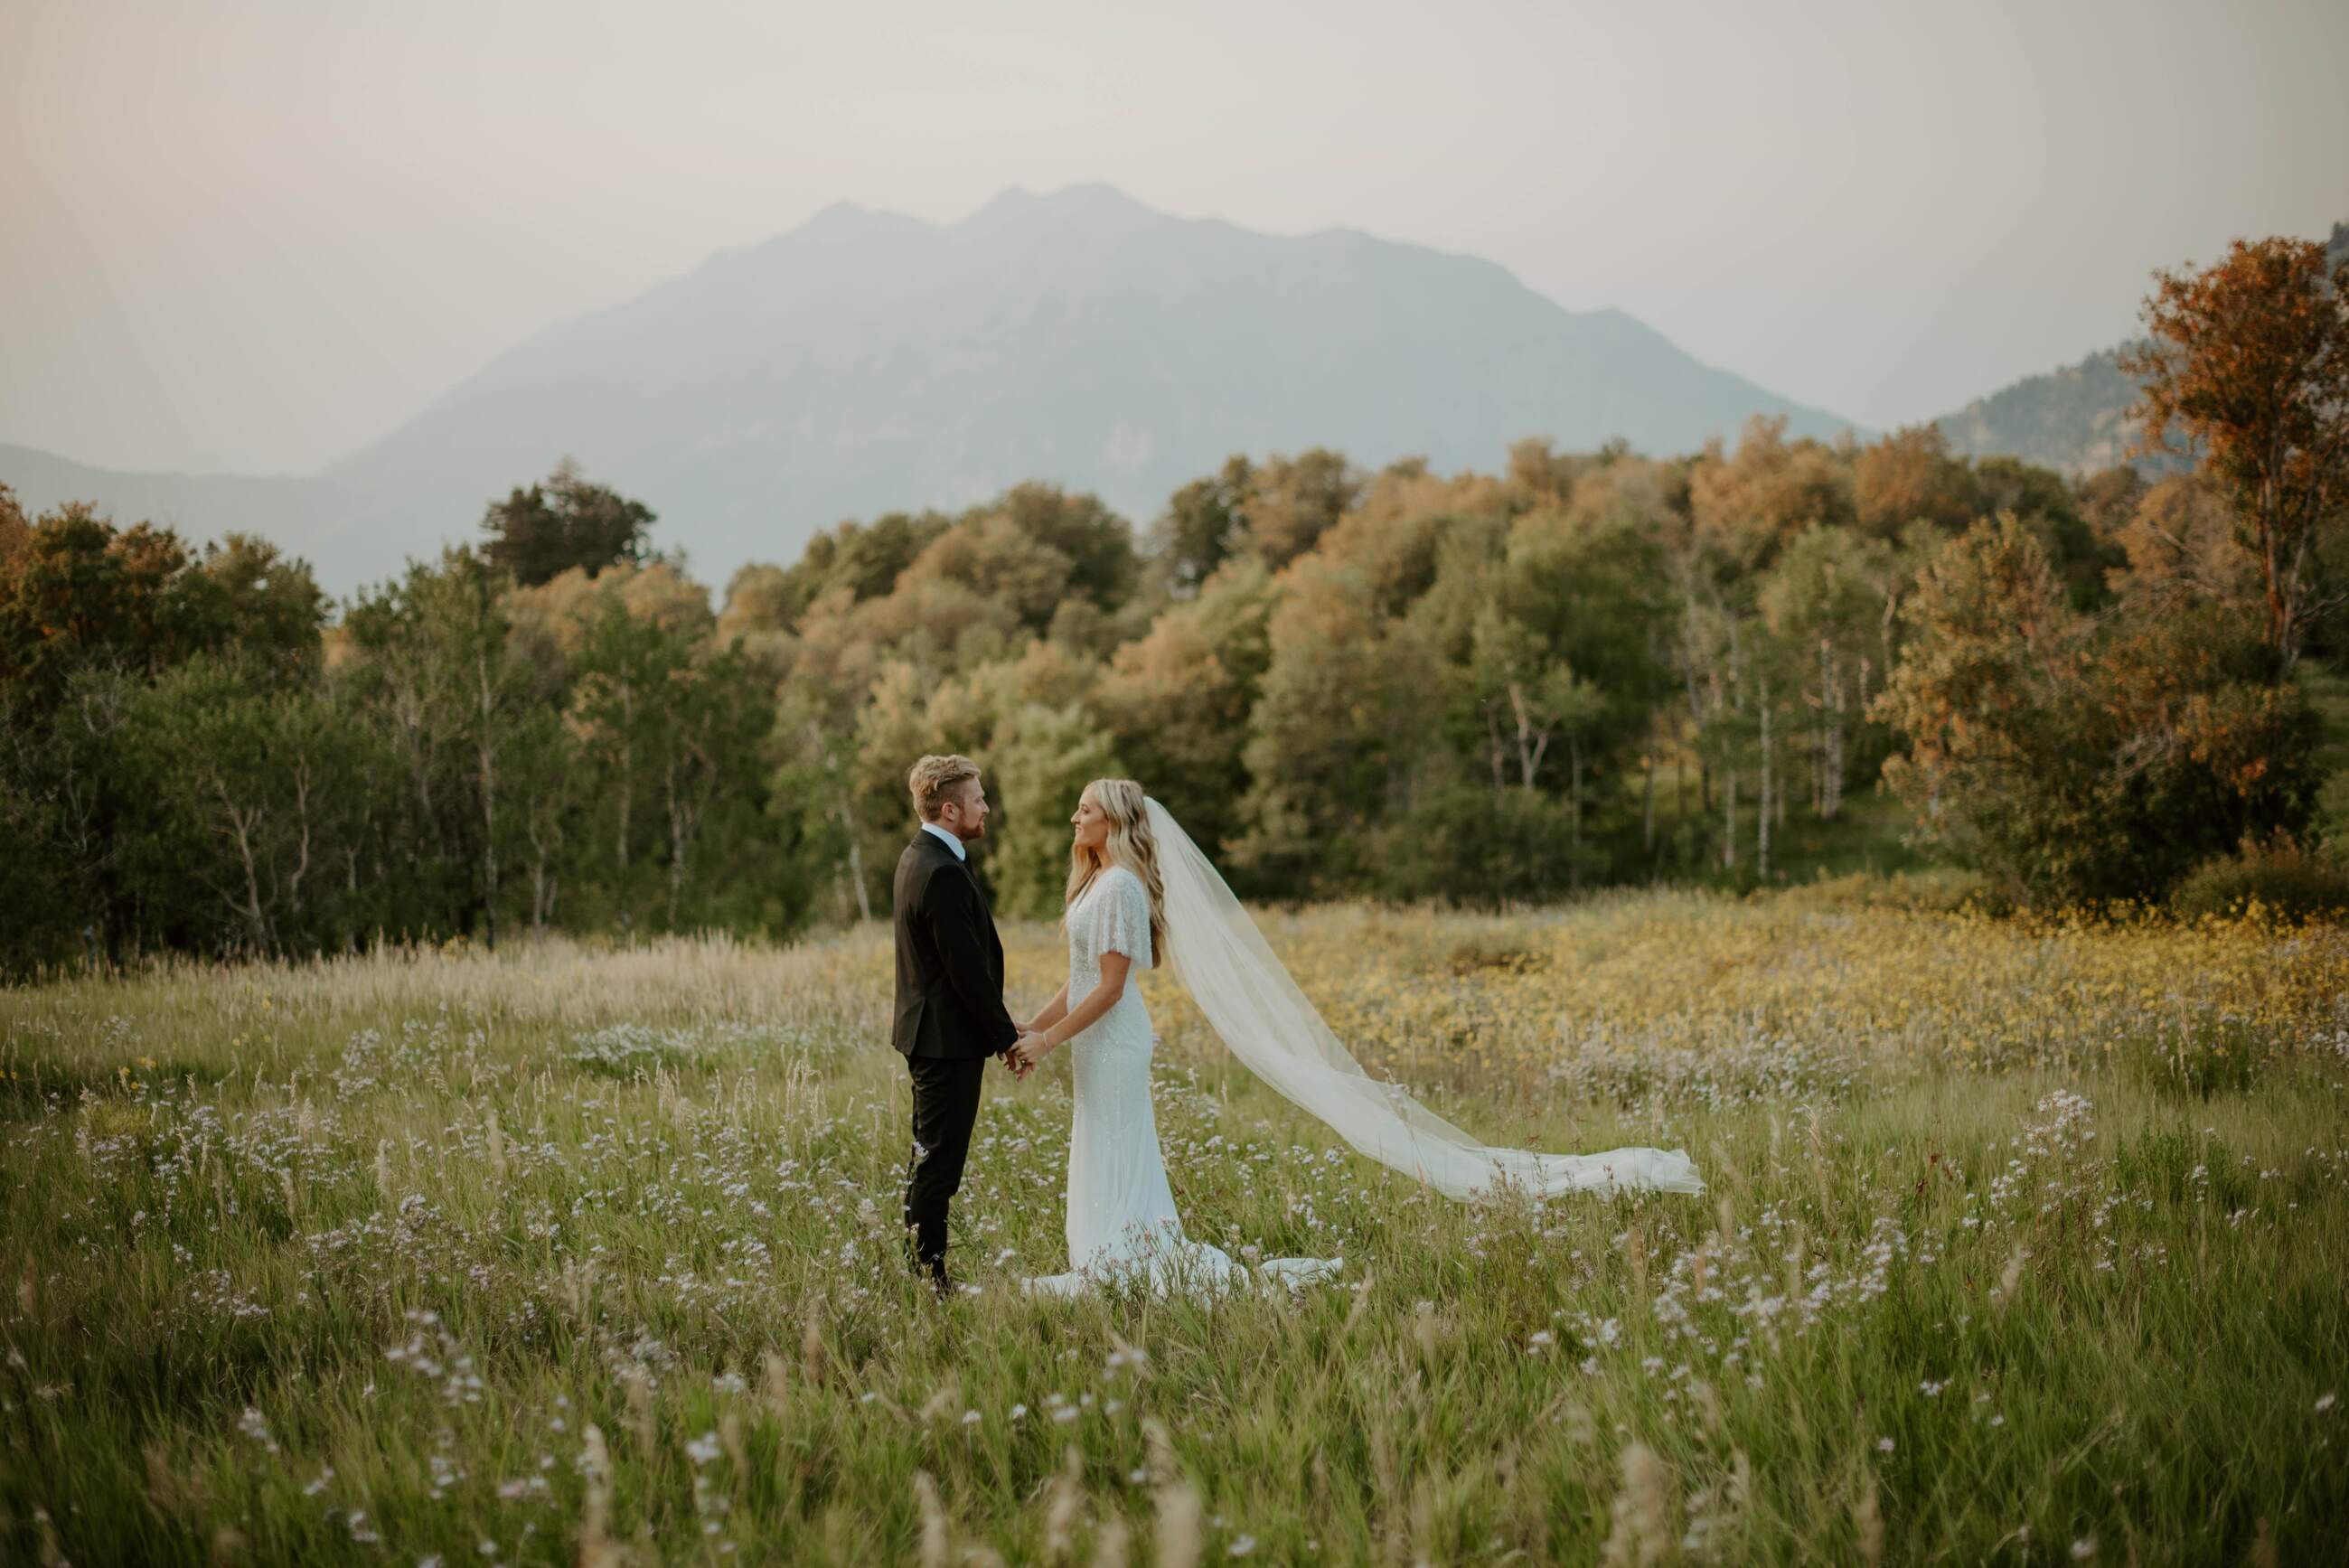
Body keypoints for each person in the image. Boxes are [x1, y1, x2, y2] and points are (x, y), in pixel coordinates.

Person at [1007, 778, 1704, 1297]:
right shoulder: (1097, 883)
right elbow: (1076, 981)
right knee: (1097, 1139)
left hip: (1115, 1040)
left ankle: (1126, 1258)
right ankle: (1103, 1253)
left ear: (1118, 820)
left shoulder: (1124, 886)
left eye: (1087, 809)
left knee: (1121, 1142)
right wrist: (1032, 1028)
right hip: (1092, 1042)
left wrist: (1048, 1041)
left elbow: (1108, 987)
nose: (1075, 816)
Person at [890, 754, 1037, 1298]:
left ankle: (921, 1271)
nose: (987, 808)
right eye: (978, 799)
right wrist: (1008, 1039)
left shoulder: (921, 855)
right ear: (950, 808)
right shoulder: (941, 871)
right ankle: (930, 1281)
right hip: (944, 1041)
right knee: (937, 1166)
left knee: (929, 1156)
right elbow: (966, 972)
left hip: (935, 1034)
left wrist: (1003, 1028)